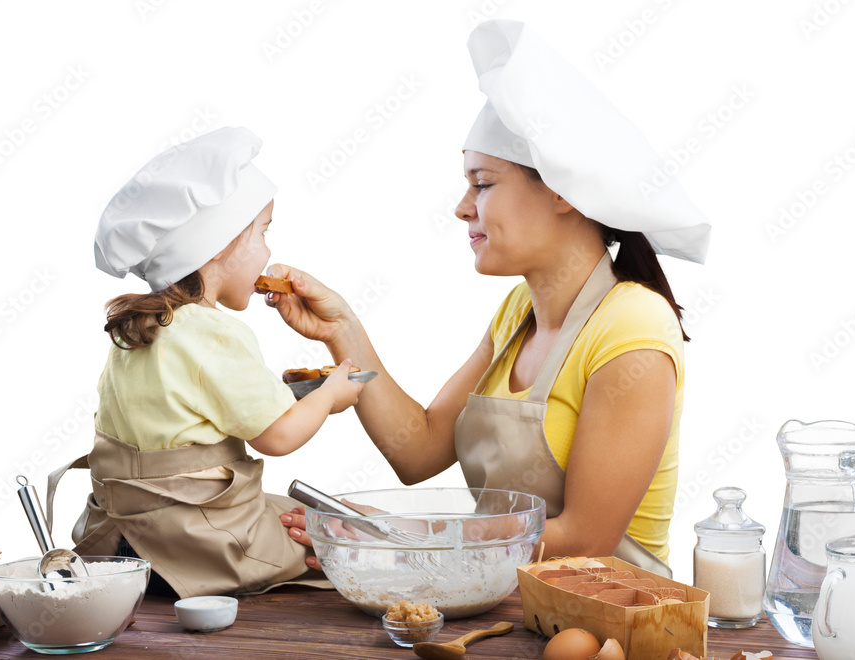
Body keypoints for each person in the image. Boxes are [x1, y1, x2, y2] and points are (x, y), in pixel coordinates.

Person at [274, 20, 711, 576]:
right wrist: (343, 330)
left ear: (559, 191)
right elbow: (420, 449)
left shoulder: (632, 328)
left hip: (612, 620)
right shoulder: (517, 314)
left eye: (482, 183)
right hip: (503, 603)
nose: (462, 207)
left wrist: (398, 538)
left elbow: (585, 539)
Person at [46, 126, 364, 598]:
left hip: (123, 538)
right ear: (218, 245)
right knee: (340, 533)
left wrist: (299, 396)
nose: (269, 251)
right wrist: (333, 395)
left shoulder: (138, 330)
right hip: (199, 542)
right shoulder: (217, 333)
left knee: (300, 513)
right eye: (262, 232)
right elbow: (279, 437)